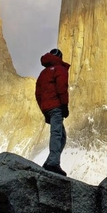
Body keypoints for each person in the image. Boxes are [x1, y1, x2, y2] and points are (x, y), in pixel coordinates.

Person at [35, 48, 70, 176]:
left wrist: (44, 109)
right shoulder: (60, 69)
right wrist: (64, 106)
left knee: (62, 135)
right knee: (57, 134)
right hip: (56, 107)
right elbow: (62, 88)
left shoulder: (43, 73)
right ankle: (53, 164)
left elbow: (38, 94)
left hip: (47, 108)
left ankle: (50, 161)